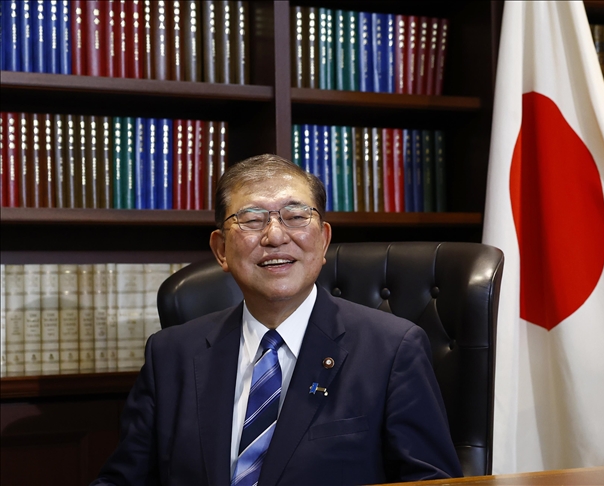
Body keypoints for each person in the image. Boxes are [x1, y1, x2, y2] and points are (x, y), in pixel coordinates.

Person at [93, 154, 462, 485]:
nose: (274, 236)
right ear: (221, 250)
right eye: (252, 220)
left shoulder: (392, 349)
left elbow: (431, 483)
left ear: (323, 241)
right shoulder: (171, 354)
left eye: (296, 216)